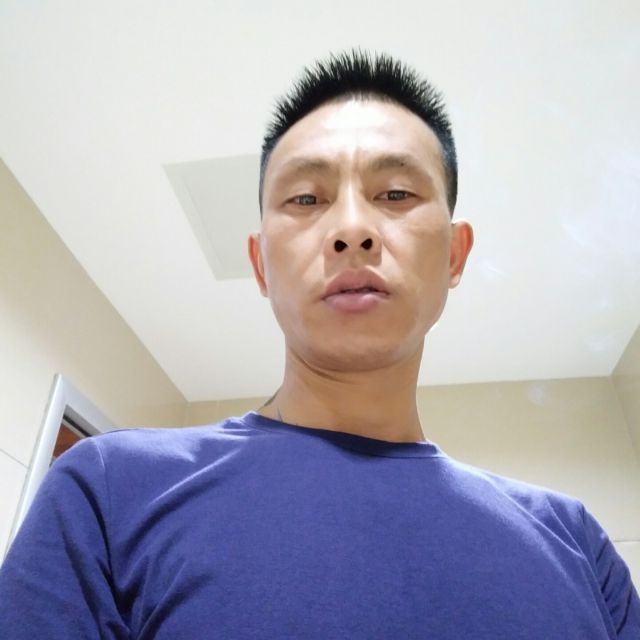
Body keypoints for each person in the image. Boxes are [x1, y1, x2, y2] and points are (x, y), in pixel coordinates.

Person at [0, 49, 638, 639]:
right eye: (306, 198)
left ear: (455, 253)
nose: (352, 229)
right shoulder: (110, 492)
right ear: (260, 265)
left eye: (396, 194)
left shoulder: (578, 546)